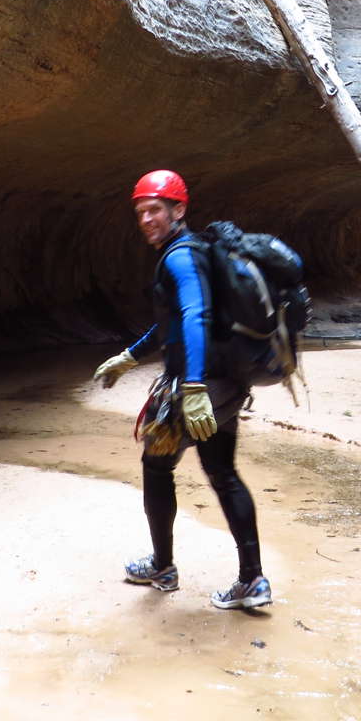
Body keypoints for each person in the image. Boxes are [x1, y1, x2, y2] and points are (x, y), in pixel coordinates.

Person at [91, 169, 272, 610]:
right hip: (226, 384)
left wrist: (191, 387)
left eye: (155, 210)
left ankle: (162, 566)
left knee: (156, 467)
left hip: (198, 388)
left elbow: (194, 315)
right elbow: (170, 321)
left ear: (179, 210)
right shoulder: (201, 251)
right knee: (223, 473)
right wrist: (131, 356)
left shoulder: (178, 258)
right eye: (140, 212)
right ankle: (253, 581)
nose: (146, 219)